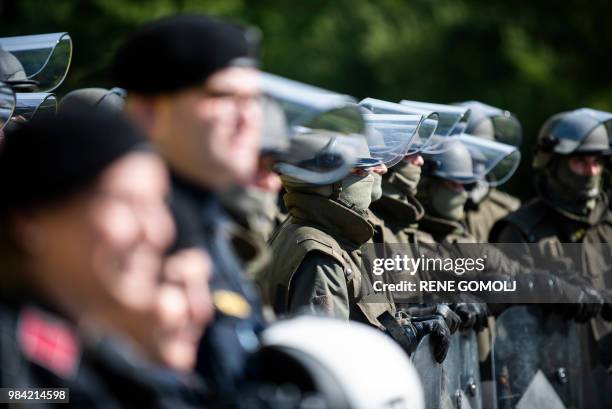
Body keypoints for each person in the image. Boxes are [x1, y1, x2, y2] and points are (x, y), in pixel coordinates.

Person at [0, 108, 212, 407]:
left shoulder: (95, 352)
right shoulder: (13, 369)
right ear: (29, 219)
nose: (157, 232)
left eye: (158, 203)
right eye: (126, 202)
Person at [111, 14, 268, 404]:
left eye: (254, 99)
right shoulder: (125, 229)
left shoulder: (206, 217)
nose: (247, 118)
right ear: (146, 111)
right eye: (221, 97)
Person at [490, 108, 612, 409]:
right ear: (553, 162)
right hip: (550, 385)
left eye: (597, 162)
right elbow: (503, 315)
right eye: (580, 161)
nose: (592, 171)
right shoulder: (520, 229)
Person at [454, 101, 522, 243]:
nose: (478, 167)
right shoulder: (427, 202)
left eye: (485, 153)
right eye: (469, 155)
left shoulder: (507, 210)